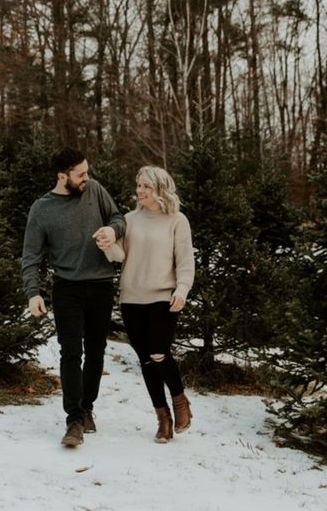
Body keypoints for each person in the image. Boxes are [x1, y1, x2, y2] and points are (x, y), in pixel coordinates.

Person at [21, 147, 126, 448]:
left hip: (102, 285)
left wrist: (111, 228)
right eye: (80, 174)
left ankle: (88, 406)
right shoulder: (42, 209)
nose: (87, 178)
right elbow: (31, 255)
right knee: (70, 351)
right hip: (66, 287)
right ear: (61, 176)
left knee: (96, 350)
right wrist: (33, 292)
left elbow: (119, 218)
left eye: (87, 172)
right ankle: (74, 420)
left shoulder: (95, 190)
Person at [102, 165, 195, 444]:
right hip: (131, 298)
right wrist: (106, 242)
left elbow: (185, 260)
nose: (139, 191)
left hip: (162, 296)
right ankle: (162, 418)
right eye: (138, 185)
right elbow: (120, 256)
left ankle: (179, 401)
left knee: (158, 353)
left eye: (145, 186)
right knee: (145, 360)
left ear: (160, 189)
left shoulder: (177, 220)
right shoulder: (129, 219)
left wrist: (182, 290)